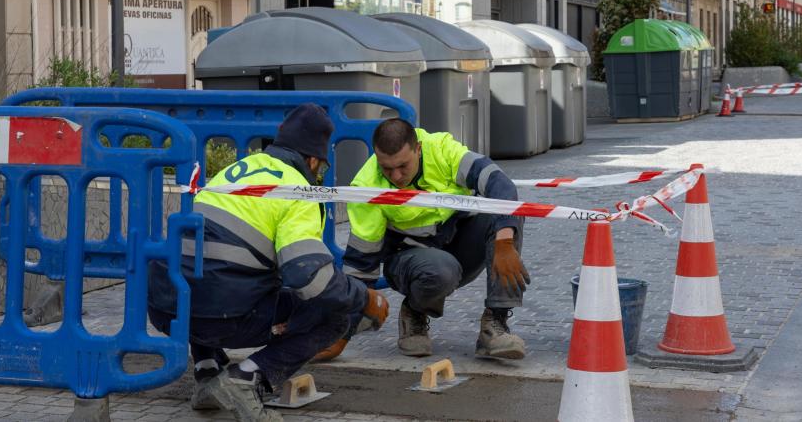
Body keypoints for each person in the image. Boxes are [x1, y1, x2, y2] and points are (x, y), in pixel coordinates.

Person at [146, 103, 389, 422]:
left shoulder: (236, 171)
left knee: (203, 275)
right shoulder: (297, 189)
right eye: (320, 169)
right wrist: (364, 297)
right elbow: (309, 277)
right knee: (334, 317)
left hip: (167, 309)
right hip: (222, 317)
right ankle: (245, 379)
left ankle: (208, 377)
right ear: (313, 160)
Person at [316, 118, 529, 362]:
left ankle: (495, 324)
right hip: (410, 261)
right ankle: (414, 313)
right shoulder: (367, 187)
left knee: (509, 215)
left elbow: (499, 183)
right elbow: (360, 267)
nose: (396, 176)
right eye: (387, 168)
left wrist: (503, 241)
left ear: (418, 148)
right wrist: (342, 333)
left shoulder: (442, 149)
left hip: (457, 243)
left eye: (403, 166)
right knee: (440, 269)